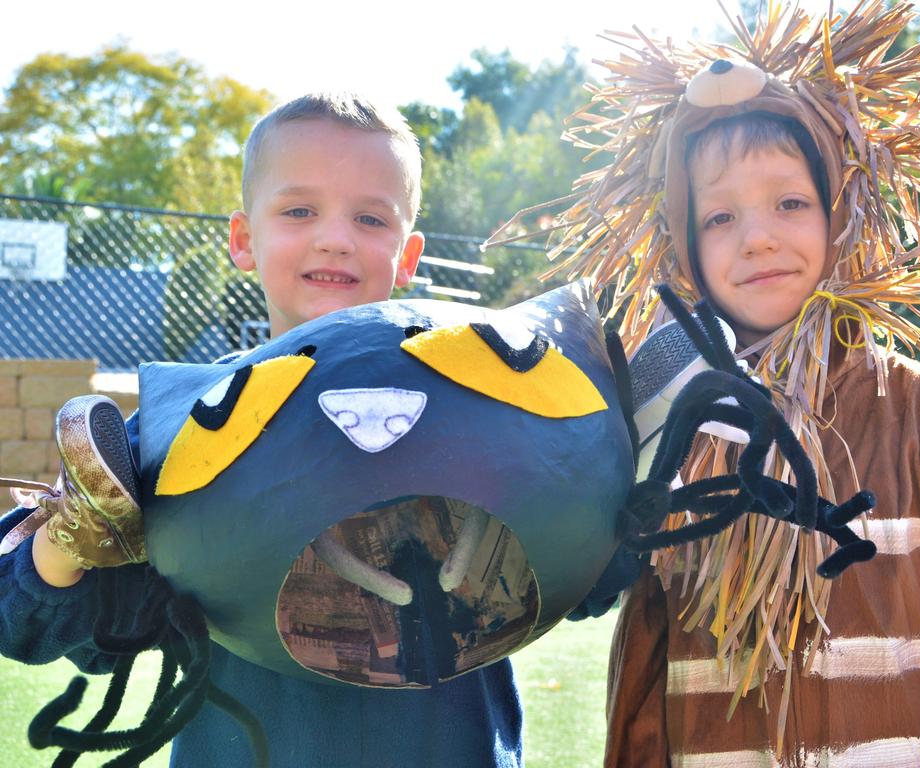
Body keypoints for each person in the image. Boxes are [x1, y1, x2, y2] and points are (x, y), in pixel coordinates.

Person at [511, 3, 920, 765]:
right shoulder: (658, 430)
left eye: (790, 202)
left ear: (840, 213)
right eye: (719, 218)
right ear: (685, 244)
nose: (757, 236)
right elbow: (645, 664)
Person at [0, 93, 526, 767]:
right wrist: (75, 537)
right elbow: (27, 618)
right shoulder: (188, 419)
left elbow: (580, 568)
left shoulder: (475, 400)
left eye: (369, 217)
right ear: (243, 239)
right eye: (299, 210)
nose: (334, 237)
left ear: (408, 254)